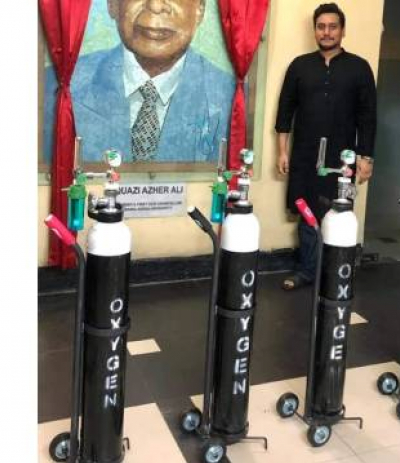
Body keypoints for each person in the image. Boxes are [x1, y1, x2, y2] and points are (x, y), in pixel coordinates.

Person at [44, 0, 235, 164]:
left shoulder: (231, 100)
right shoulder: (52, 89)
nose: (155, 6)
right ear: (112, 4)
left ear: (200, 9)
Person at [275, 2, 377, 290]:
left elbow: (368, 116)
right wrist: (282, 151)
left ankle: (335, 272)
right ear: (315, 30)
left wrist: (366, 157)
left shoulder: (359, 68)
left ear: (342, 31)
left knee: (338, 213)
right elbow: (285, 111)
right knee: (307, 213)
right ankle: (307, 271)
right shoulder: (300, 66)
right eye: (321, 27)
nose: (327, 32)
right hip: (305, 154)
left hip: (342, 157)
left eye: (333, 27)